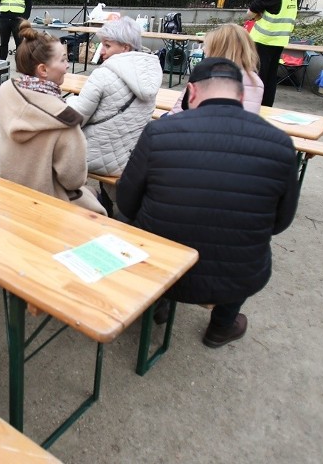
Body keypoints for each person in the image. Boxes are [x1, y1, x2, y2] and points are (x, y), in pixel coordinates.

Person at [117, 58, 300, 348]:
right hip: (239, 275)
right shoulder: (280, 143)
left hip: (160, 267)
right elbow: (280, 223)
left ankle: (159, 302)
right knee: (248, 239)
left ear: (191, 93)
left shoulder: (159, 133)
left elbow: (126, 203)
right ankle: (221, 327)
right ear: (241, 96)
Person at [0, 21, 106, 214]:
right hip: (47, 206)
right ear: (43, 70)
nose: (67, 66)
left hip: (6, 194)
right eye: (63, 60)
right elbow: (74, 180)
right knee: (97, 204)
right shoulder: (64, 121)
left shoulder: (4, 93)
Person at [66, 16, 162, 179]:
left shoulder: (103, 75)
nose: (101, 51)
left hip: (92, 158)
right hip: (132, 159)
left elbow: (76, 118)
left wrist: (67, 101)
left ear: (125, 48)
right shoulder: (150, 76)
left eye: (107, 45)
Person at [168, 23, 264, 115]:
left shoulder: (206, 76)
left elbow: (176, 114)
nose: (204, 49)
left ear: (218, 50)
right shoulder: (256, 81)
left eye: (207, 46)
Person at [247, 0, 297, 107]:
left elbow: (251, 12)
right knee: (270, 78)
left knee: (257, 77)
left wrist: (254, 16)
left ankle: (254, 106)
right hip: (280, 39)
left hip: (263, 38)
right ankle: (266, 108)